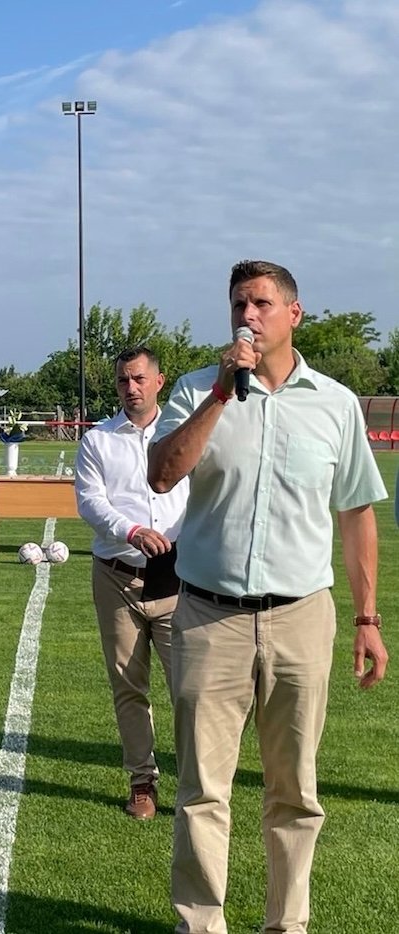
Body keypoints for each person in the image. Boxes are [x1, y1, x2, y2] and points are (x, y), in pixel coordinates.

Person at [148, 260, 389, 934]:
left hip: (300, 617)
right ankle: (201, 924)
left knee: (295, 791)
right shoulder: (198, 389)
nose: (247, 316)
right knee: (202, 791)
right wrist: (220, 394)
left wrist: (368, 618)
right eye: (237, 304)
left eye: (260, 303)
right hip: (207, 618)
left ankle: (287, 925)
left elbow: (356, 513)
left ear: (293, 314)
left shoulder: (334, 403)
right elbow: (162, 475)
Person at [75, 346, 189, 820]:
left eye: (139, 378)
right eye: (123, 380)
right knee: (128, 686)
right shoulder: (98, 440)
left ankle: (197, 785)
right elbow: (90, 501)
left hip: (179, 579)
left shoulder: (183, 435)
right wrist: (132, 531)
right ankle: (142, 780)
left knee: (190, 688)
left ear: (159, 381)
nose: (131, 387)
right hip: (117, 576)